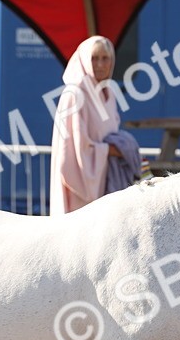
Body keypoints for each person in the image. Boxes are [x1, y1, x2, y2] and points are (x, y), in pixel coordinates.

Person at [49, 36, 141, 215]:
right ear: (84, 60)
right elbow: (73, 151)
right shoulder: (73, 95)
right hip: (79, 190)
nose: (100, 64)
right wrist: (111, 150)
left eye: (105, 58)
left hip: (104, 182)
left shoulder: (109, 93)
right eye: (94, 58)